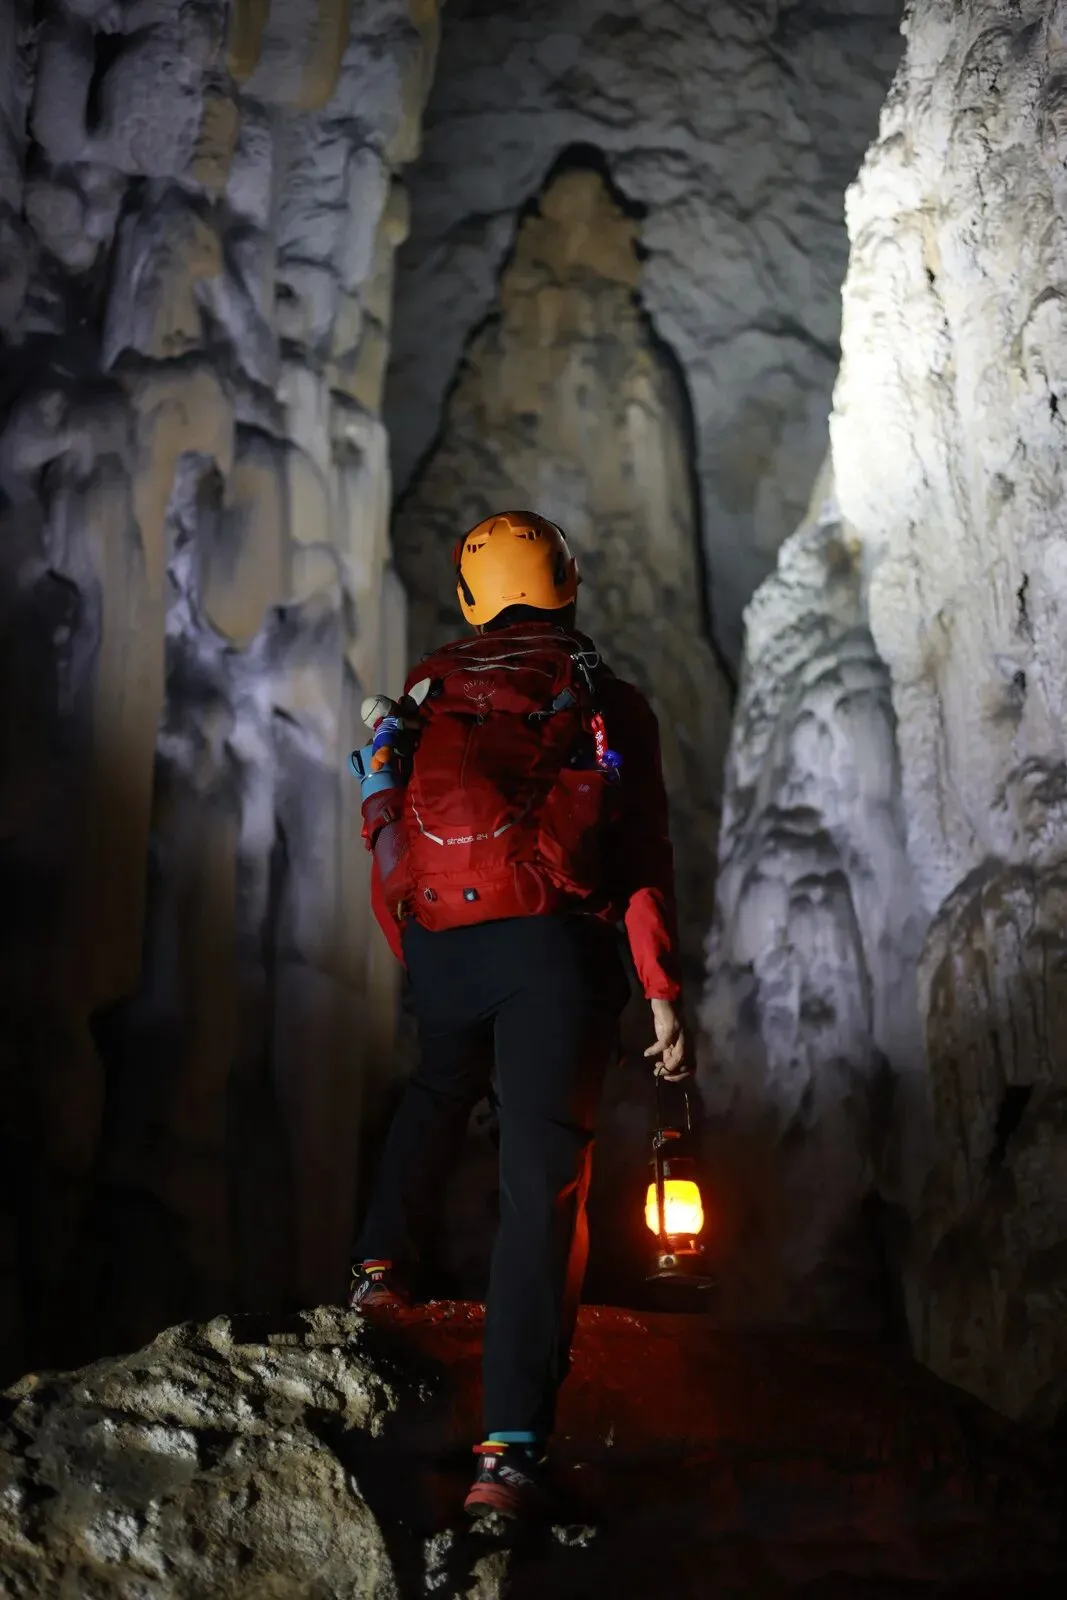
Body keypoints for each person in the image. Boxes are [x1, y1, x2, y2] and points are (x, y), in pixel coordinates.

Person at [347, 510, 690, 1520]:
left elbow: (391, 831)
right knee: (542, 1178)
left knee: (439, 1084)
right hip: (552, 948)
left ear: (471, 599)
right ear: (566, 585)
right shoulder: (604, 699)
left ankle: (376, 1267)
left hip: (444, 940)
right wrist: (660, 991)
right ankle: (509, 1454)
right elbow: (640, 854)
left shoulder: (429, 691)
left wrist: (426, 954)